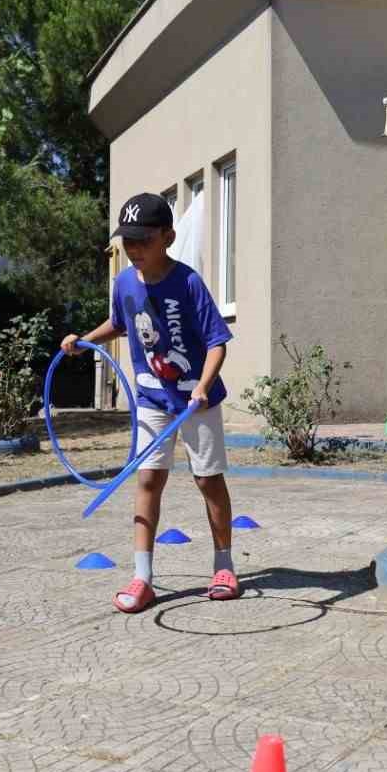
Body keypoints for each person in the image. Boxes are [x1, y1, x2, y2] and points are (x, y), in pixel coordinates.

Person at [62, 193, 240, 613]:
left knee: (208, 479)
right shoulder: (123, 282)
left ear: (168, 237)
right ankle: (143, 577)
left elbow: (217, 342)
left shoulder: (188, 282)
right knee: (148, 481)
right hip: (151, 398)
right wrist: (84, 341)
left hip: (196, 401)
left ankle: (224, 566)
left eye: (143, 239)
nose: (134, 249)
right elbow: (119, 324)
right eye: (128, 241)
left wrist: (202, 387)